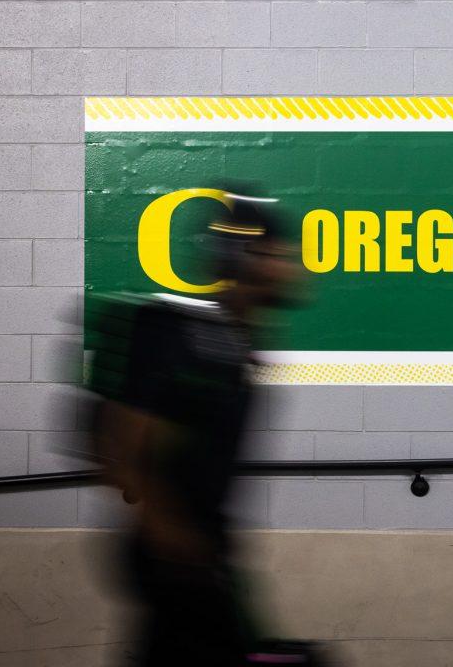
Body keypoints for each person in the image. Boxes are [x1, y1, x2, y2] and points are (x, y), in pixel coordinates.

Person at [89, 190, 309, 666]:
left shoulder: (236, 345)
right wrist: (165, 526)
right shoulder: (183, 339)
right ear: (243, 257)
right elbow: (124, 442)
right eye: (279, 255)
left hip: (203, 553)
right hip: (174, 555)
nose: (292, 267)